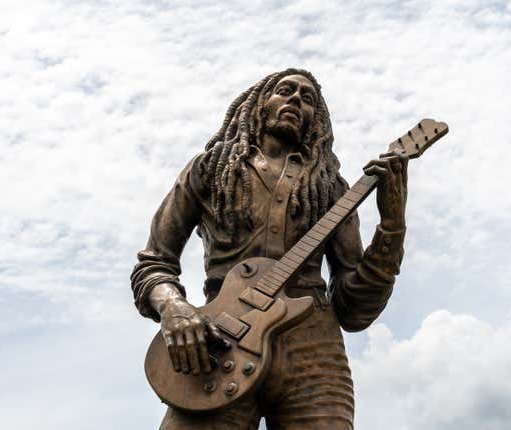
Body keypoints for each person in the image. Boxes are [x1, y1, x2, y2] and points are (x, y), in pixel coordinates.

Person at [131, 68, 408, 429]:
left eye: (308, 98)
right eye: (285, 91)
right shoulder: (210, 170)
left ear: (316, 121)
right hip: (219, 343)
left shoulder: (331, 189)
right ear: (259, 104)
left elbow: (354, 310)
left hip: (312, 353)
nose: (296, 99)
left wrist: (392, 225)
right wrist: (174, 307)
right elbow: (154, 263)